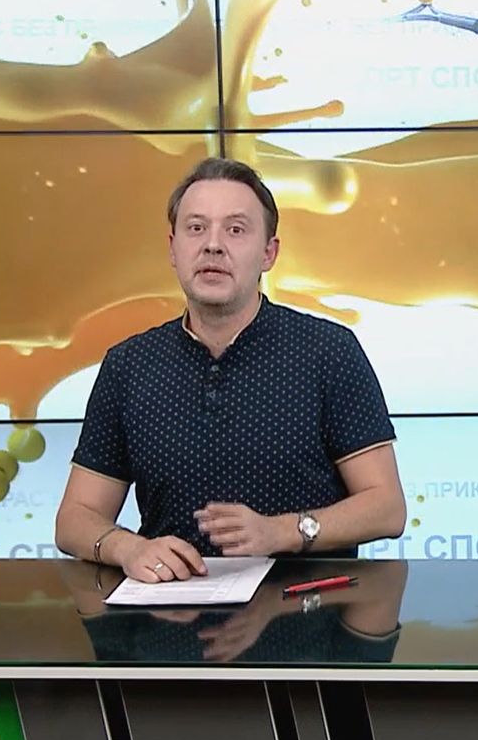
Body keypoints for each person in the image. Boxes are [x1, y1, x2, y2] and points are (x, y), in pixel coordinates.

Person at [55, 157, 405, 582]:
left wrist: (282, 531)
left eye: (235, 230)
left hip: (305, 609)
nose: (213, 245)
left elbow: (386, 507)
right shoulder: (129, 365)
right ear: (173, 248)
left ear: (269, 253)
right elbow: (75, 518)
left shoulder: (328, 351)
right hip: (169, 609)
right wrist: (127, 547)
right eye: (196, 228)